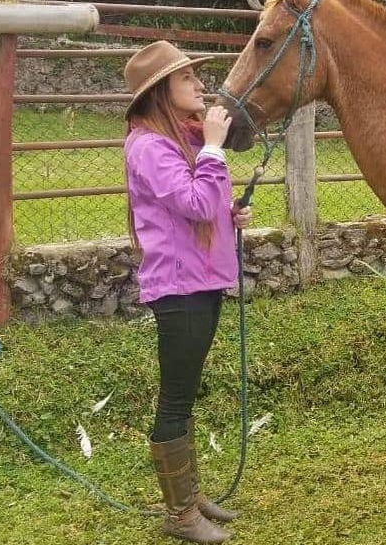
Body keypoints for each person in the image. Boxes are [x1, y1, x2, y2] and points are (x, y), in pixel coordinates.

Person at [123, 40, 252, 544]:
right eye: (187, 80)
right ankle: (179, 514)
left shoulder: (180, 140)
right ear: (160, 92)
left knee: (186, 393)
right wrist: (216, 149)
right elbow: (195, 203)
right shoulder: (150, 146)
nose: (200, 86)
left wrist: (229, 214)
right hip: (180, 287)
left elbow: (202, 206)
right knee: (176, 398)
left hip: (200, 280)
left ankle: (190, 495)